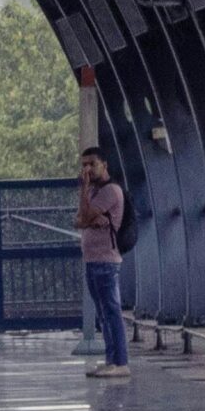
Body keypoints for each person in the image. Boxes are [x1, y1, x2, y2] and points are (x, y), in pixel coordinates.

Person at [77, 146, 129, 378]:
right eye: (84, 165)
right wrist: (88, 215)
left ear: (104, 165)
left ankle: (120, 362)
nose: (87, 169)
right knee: (103, 313)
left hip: (106, 260)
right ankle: (111, 360)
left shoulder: (110, 191)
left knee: (111, 311)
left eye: (92, 164)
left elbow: (84, 218)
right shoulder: (93, 194)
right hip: (92, 260)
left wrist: (84, 190)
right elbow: (80, 219)